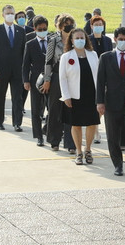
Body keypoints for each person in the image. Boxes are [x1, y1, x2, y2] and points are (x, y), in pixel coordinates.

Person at [59, 28, 100, 165]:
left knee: (92, 123)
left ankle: (88, 149)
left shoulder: (93, 55)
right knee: (76, 124)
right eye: (76, 38)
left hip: (91, 94)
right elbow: (62, 78)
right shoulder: (66, 57)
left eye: (82, 38)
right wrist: (66, 96)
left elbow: (98, 75)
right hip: (75, 95)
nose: (80, 40)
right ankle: (78, 151)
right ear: (71, 40)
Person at [0, 5, 26, 132]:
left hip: (17, 70)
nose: (10, 15)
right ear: (3, 15)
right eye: (8, 13)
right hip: (1, 70)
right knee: (0, 96)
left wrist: (25, 70)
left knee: (17, 97)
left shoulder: (20, 31)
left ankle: (17, 123)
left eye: (12, 13)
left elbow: (24, 52)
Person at [45, 14, 76, 152]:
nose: (68, 26)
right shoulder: (53, 40)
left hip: (72, 77)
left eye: (70, 24)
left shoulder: (76, 40)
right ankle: (54, 140)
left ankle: (71, 143)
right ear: (60, 26)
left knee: (71, 109)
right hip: (57, 76)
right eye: (65, 24)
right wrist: (47, 80)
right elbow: (48, 61)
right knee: (55, 109)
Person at [22, 15, 50, 146]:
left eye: (45, 29)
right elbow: (25, 64)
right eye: (40, 29)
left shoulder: (52, 42)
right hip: (36, 81)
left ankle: (48, 130)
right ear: (34, 29)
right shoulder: (30, 44)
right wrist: (26, 81)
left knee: (52, 108)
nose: (42, 31)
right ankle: (39, 136)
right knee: (36, 109)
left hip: (51, 80)